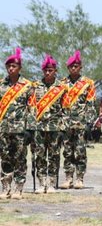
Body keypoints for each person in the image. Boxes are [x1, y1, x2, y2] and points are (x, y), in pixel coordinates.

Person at [28, 55, 67, 194]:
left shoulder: (61, 88)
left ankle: (51, 183)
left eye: (50, 70)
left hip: (55, 127)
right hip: (39, 127)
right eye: (45, 70)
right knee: (39, 155)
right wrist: (30, 128)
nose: (47, 72)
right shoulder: (35, 86)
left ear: (55, 70)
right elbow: (31, 107)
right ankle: (41, 183)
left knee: (54, 156)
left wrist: (64, 128)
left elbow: (65, 109)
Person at [60, 50, 97, 189]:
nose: (73, 68)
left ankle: (80, 178)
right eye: (71, 66)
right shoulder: (62, 83)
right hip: (66, 123)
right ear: (68, 68)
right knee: (67, 151)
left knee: (80, 152)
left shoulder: (88, 83)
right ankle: (68, 178)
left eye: (76, 66)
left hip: (81, 123)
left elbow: (91, 104)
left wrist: (89, 122)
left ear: (80, 67)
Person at [0, 48, 33, 200]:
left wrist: (30, 129)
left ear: (19, 68)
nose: (11, 69)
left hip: (20, 129)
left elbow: (32, 108)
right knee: (5, 158)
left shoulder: (27, 86)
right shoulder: (1, 85)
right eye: (8, 66)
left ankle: (18, 188)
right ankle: (5, 187)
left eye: (14, 66)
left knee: (20, 158)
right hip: (3, 128)